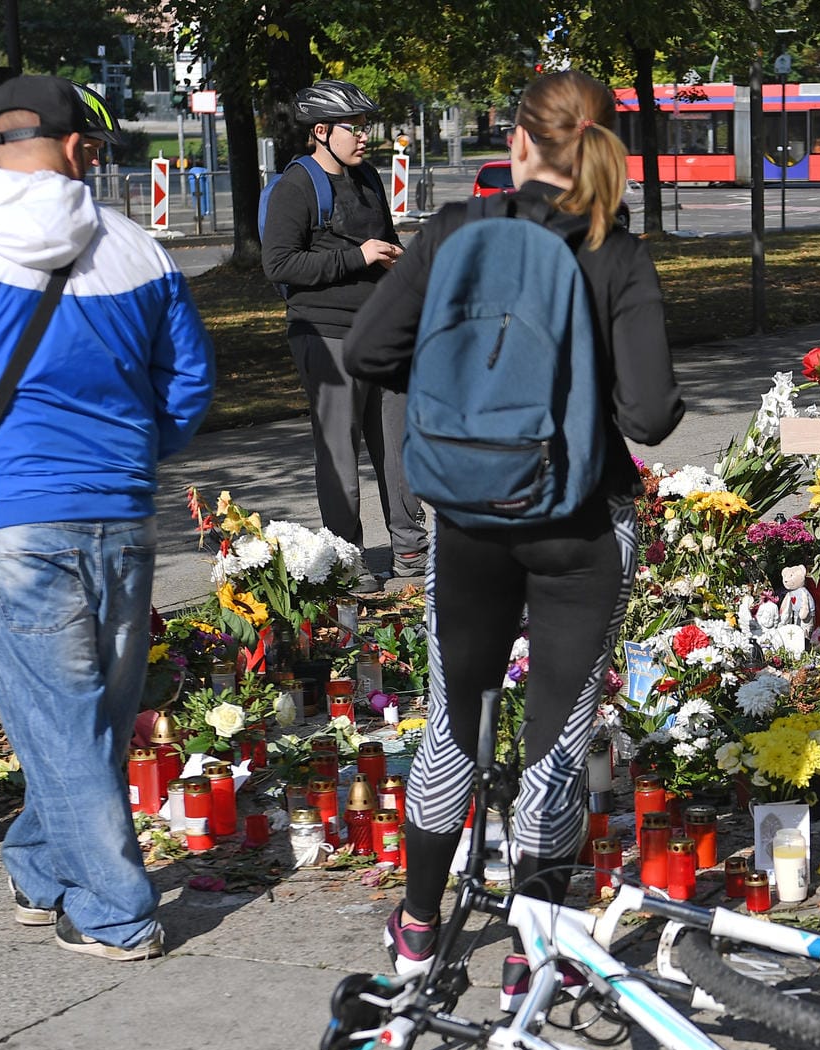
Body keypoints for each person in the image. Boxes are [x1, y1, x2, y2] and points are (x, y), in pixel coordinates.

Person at [344, 70, 683, 980]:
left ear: (519, 142)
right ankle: (533, 952)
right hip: (581, 521)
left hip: (466, 517)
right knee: (558, 735)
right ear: (609, 143)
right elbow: (649, 414)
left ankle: (417, 926)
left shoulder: (457, 232)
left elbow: (369, 349)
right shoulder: (619, 252)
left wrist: (471, 399)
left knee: (455, 718)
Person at [0, 76, 215, 961]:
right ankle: (39, 869)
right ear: (74, 149)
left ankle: (114, 909)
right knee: (88, 716)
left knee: (61, 719)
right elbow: (189, 385)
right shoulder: (140, 249)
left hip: (16, 516)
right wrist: (133, 450)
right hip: (123, 516)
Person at [263, 80, 426, 579]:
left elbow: (386, 241)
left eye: (364, 127)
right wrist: (358, 256)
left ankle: (411, 549)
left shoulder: (369, 178)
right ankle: (346, 559)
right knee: (339, 451)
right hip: (326, 334)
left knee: (398, 445)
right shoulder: (297, 186)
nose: (362, 137)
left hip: (383, 332)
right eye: (352, 128)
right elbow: (281, 264)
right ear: (321, 131)